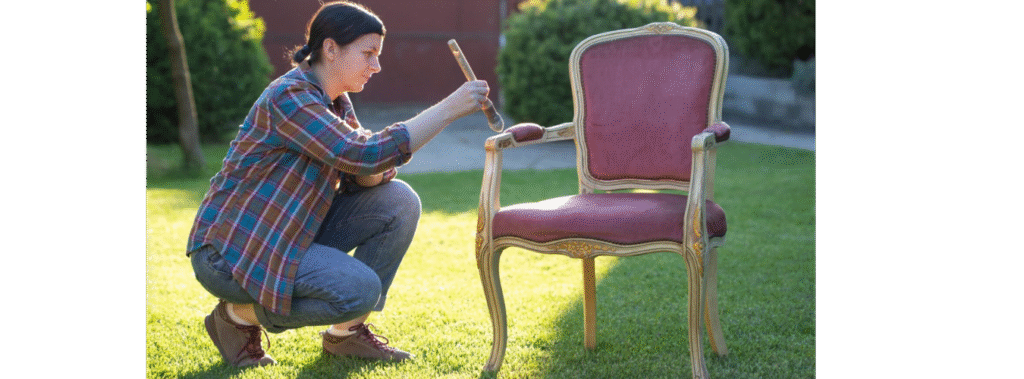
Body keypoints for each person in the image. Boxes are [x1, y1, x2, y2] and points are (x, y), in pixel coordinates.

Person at [186, 1, 490, 368]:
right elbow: (360, 153)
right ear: (330, 49)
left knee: (398, 200)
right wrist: (448, 109)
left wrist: (369, 164)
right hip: (232, 252)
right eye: (368, 53)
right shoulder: (290, 97)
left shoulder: (337, 104)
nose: (376, 65)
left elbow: (365, 169)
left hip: (288, 236)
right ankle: (235, 316)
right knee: (359, 289)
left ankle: (344, 335)